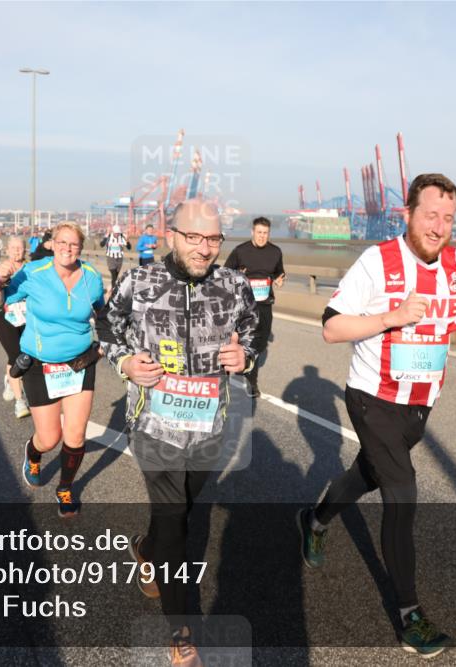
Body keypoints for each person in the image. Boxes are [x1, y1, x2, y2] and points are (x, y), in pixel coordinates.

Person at [297, 174, 456, 659]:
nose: (439, 227)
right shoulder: (378, 261)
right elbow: (331, 328)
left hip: (419, 404)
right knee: (402, 492)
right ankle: (410, 615)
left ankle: (315, 519)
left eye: (448, 218)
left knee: (368, 472)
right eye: (430, 215)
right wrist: (391, 317)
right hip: (372, 398)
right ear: (407, 214)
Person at [98, 199, 257, 667]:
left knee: (182, 508)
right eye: (194, 237)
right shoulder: (140, 281)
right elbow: (107, 324)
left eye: (213, 239)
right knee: (175, 520)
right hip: (153, 425)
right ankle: (181, 632)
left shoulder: (233, 284)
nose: (204, 248)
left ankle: (144, 549)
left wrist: (245, 356)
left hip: (208, 425)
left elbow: (253, 328)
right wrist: (124, 361)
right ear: (172, 235)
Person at [0, 222, 105, 518]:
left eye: (74, 244)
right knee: (50, 438)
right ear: (52, 243)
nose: (67, 248)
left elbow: (102, 313)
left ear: (81, 247)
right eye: (61, 242)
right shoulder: (33, 272)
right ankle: (34, 453)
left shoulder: (91, 276)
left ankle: (65, 489)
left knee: (75, 436)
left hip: (80, 363)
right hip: (40, 365)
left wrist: (105, 345)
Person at [224, 217, 286, 398]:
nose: (261, 236)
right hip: (243, 307)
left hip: (264, 306)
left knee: (260, 344)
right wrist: (237, 276)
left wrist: (280, 279)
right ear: (252, 232)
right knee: (241, 342)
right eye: (259, 232)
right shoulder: (240, 251)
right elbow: (226, 273)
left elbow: (279, 272)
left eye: (265, 233)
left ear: (269, 234)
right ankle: (250, 383)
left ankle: (246, 368)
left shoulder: (275, 252)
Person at [0, 236, 31, 418]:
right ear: (7, 250)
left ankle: (9, 379)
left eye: (20, 247)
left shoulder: (32, 269)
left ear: (25, 250)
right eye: (13, 247)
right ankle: (20, 402)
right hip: (5, 318)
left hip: (28, 317)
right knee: (16, 357)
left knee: (29, 355)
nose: (17, 250)